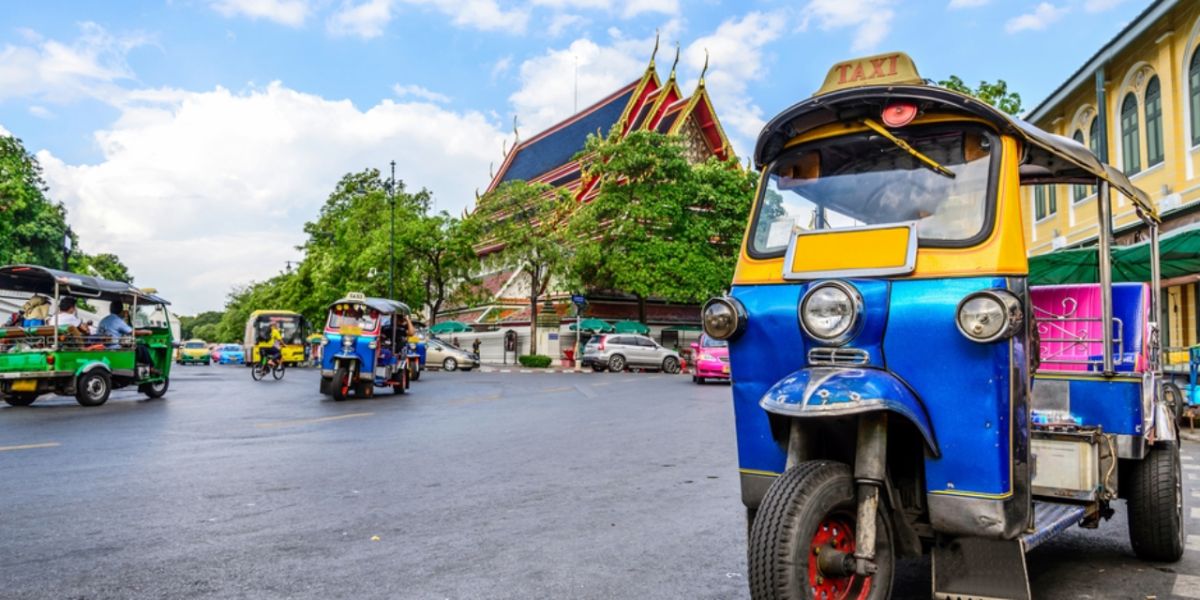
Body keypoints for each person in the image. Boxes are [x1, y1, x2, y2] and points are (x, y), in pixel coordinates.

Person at [98, 300, 155, 369]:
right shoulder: (117, 320)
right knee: (142, 348)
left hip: (103, 347)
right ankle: (151, 368)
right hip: (115, 348)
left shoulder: (103, 320)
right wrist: (147, 332)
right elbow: (134, 332)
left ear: (110, 309)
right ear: (121, 310)